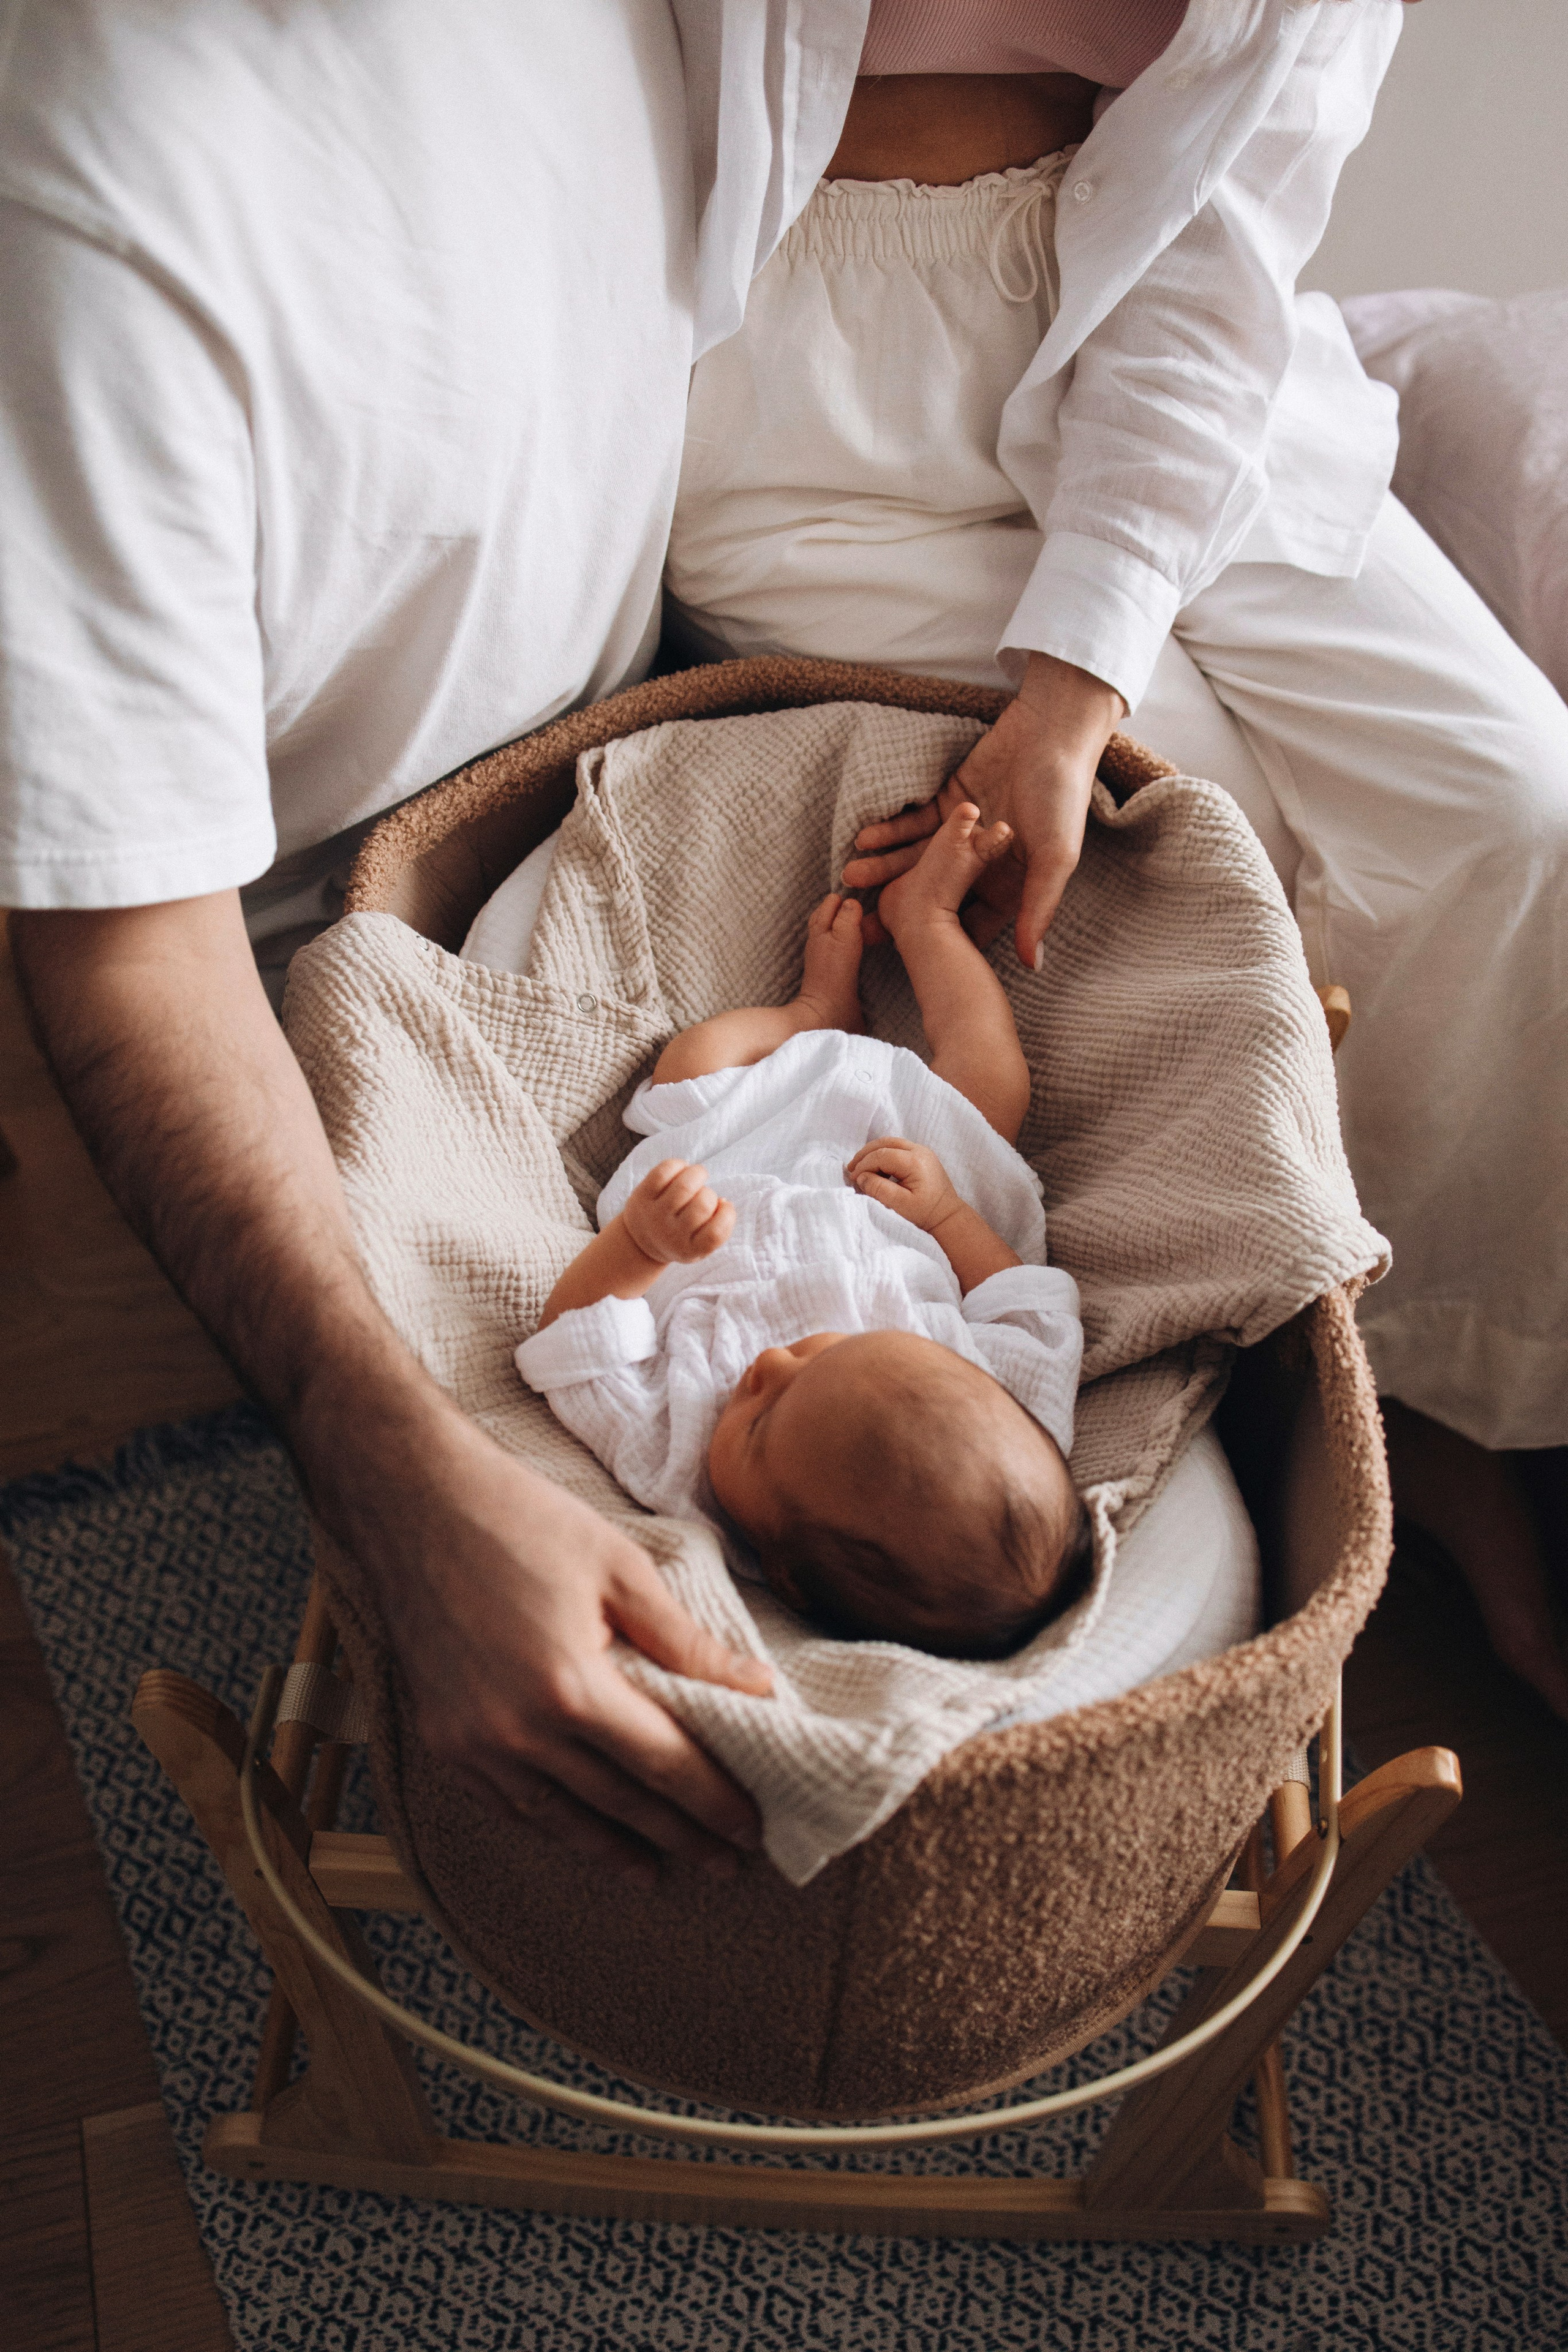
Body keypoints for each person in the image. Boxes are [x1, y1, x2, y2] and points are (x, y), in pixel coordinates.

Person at [0, 0, 865, 1891]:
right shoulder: (88, 203)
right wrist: (391, 1488)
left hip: (619, 755)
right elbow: (126, 950)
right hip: (311, 939)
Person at [662, 4, 1568, 1715]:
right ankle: (1303, 1365)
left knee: (1520, 819)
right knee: (1196, 877)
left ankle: (1441, 1393)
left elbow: (1229, 221)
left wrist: (1073, 694)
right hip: (811, 375)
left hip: (1164, 338)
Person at [516, 807, 1091, 1659]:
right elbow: (1028, 1306)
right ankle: (927, 923)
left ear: (780, 1570)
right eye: (819, 1353)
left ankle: (811, 1012)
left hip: (745, 1144)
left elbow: (575, 1335)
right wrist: (947, 1218)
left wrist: (642, 1248)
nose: (767, 1366)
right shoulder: (1009, 1419)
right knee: (992, 1087)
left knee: (689, 1063)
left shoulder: (675, 1467)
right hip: (910, 1176)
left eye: (757, 1418)